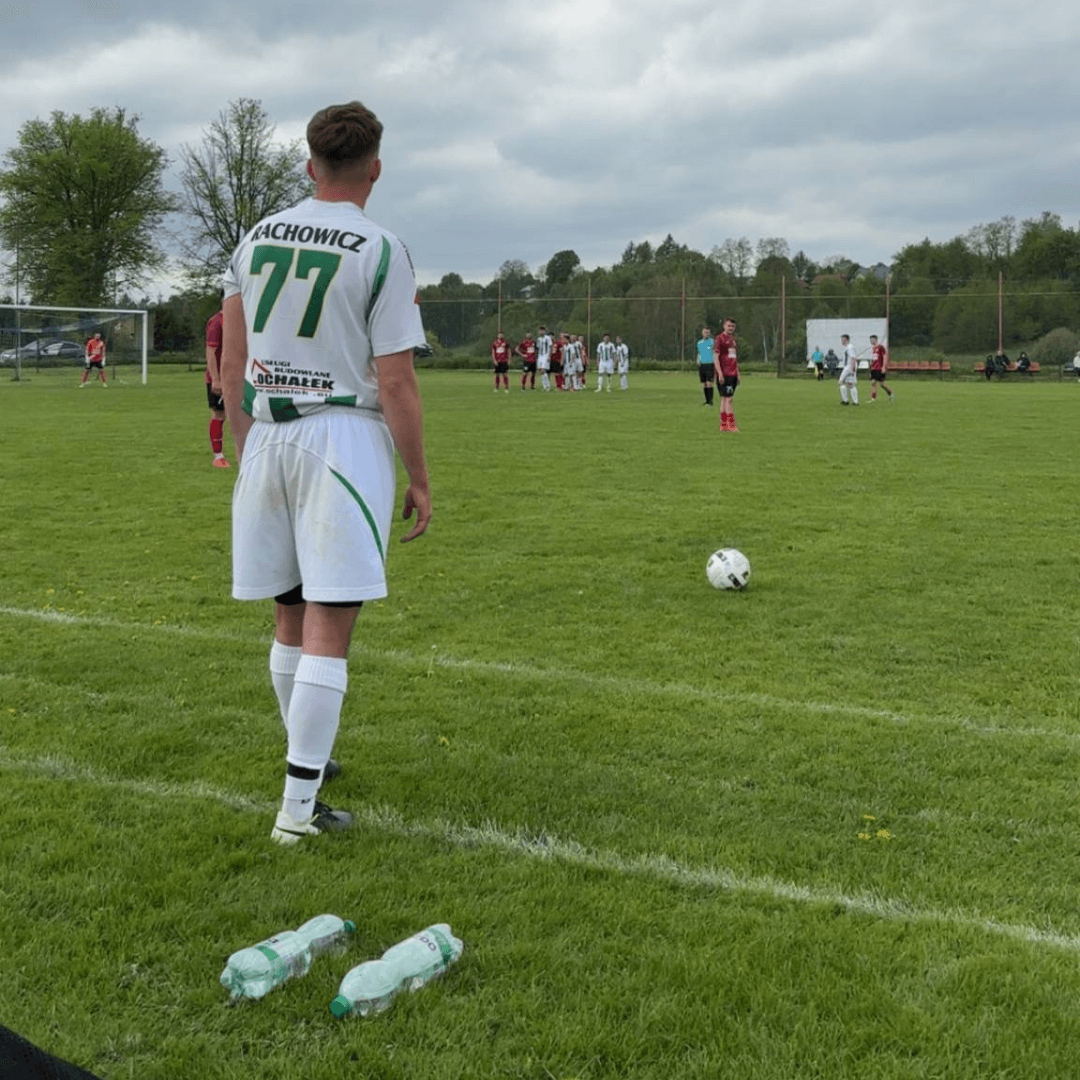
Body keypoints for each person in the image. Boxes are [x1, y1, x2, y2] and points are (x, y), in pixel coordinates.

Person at [221, 100, 431, 845]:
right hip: (342, 438)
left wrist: (245, 443)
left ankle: (307, 759)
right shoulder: (382, 248)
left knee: (289, 612)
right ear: (375, 168)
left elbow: (232, 359)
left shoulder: (254, 238)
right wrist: (419, 476)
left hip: (268, 435)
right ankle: (297, 812)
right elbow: (396, 380)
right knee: (329, 625)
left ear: (310, 166)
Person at [205, 302, 230, 466]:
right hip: (220, 378)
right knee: (219, 414)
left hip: (237, 377)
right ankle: (218, 456)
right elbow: (211, 351)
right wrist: (216, 379)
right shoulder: (217, 321)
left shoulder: (240, 320)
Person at [712, 318, 739, 430]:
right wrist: (719, 373)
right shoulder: (720, 339)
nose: (731, 328)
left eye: (733, 326)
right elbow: (716, 357)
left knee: (724, 399)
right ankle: (731, 425)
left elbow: (734, 357)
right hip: (725, 373)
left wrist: (738, 372)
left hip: (733, 373)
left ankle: (723, 425)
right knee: (728, 399)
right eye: (729, 326)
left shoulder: (733, 339)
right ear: (724, 326)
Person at [868, 334, 894, 402]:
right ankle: (874, 398)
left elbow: (884, 357)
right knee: (874, 383)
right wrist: (871, 364)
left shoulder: (880, 347)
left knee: (880, 383)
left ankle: (890, 393)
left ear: (876, 340)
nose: (871, 341)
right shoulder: (873, 349)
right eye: (870, 340)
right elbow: (875, 358)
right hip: (874, 368)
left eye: (873, 339)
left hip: (879, 368)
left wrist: (883, 367)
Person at [838, 333, 859, 405]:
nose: (842, 341)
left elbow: (853, 358)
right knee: (850, 384)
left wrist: (852, 369)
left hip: (849, 367)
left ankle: (845, 400)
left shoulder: (850, 347)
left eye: (843, 340)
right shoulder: (848, 347)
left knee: (841, 382)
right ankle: (855, 401)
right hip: (848, 367)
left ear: (846, 339)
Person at [696, 327, 715, 404]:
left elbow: (715, 352)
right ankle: (706, 400)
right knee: (703, 383)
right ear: (702, 333)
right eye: (705, 332)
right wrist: (698, 361)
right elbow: (699, 352)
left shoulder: (712, 342)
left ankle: (710, 400)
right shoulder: (699, 342)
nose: (706, 334)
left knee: (709, 382)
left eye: (707, 332)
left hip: (710, 364)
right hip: (702, 364)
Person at [536, 325, 553, 391]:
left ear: (544, 331)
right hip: (540, 356)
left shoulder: (548, 338)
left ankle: (548, 385)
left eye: (542, 330)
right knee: (541, 371)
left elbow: (551, 347)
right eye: (540, 331)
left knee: (543, 370)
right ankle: (544, 386)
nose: (541, 332)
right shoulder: (539, 339)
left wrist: (549, 355)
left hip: (545, 355)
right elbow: (538, 348)